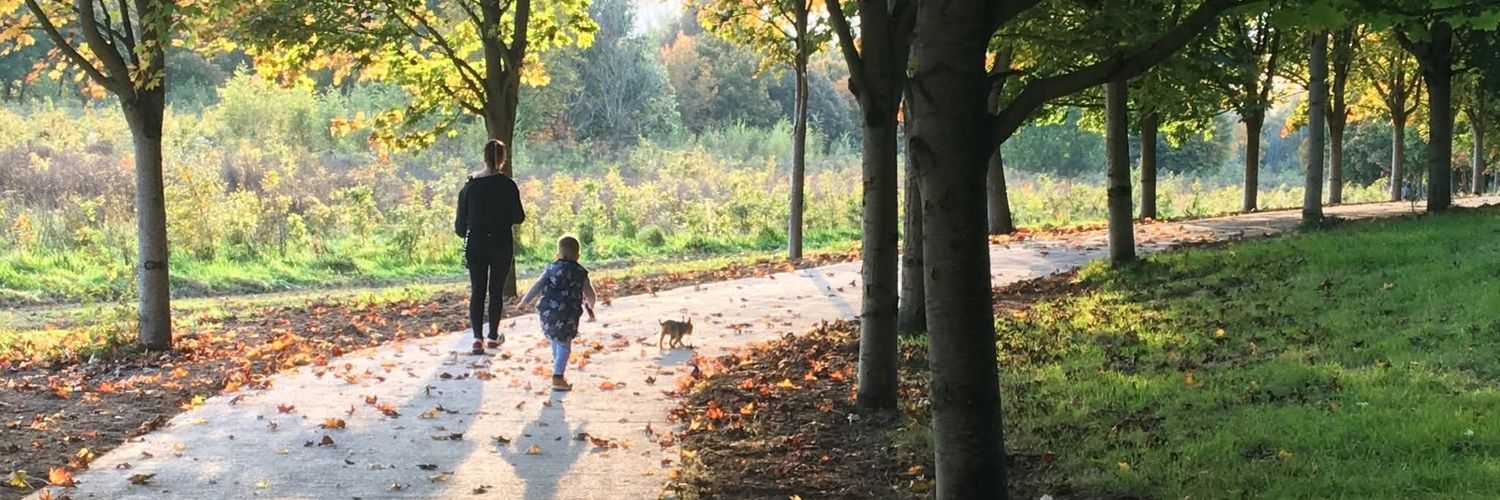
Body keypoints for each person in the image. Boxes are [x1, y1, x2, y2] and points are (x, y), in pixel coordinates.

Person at [455, 139, 526, 355]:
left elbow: (459, 227)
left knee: (477, 290)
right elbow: (519, 217)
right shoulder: (508, 185)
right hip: (500, 242)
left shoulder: (468, 187)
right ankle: (493, 336)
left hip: (475, 243)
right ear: (503, 159)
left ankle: (477, 338)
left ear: (483, 157)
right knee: (495, 291)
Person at [518, 236, 597, 391]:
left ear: (557, 255)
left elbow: (538, 285)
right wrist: (591, 305)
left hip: (547, 313)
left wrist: (525, 301)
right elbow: (590, 292)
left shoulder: (550, 269)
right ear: (578, 256)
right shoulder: (580, 272)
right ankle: (558, 377)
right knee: (565, 346)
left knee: (554, 340)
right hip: (568, 315)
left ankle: (557, 369)